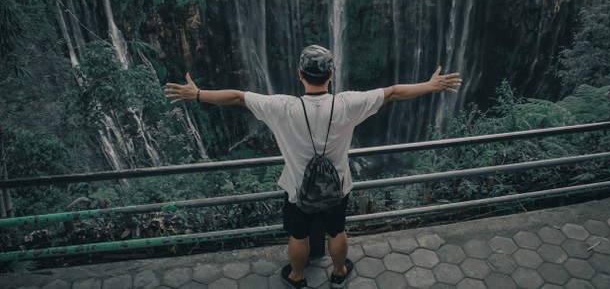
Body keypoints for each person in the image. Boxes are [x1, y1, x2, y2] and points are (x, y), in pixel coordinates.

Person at [164, 45, 462, 289]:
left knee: (298, 235)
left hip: (297, 189)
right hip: (339, 187)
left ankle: (297, 277)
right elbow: (394, 91)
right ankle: (339, 272)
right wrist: (431, 85)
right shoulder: (348, 103)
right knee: (337, 231)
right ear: (331, 74)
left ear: (299, 75)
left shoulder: (282, 107)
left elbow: (239, 97)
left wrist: (198, 94)